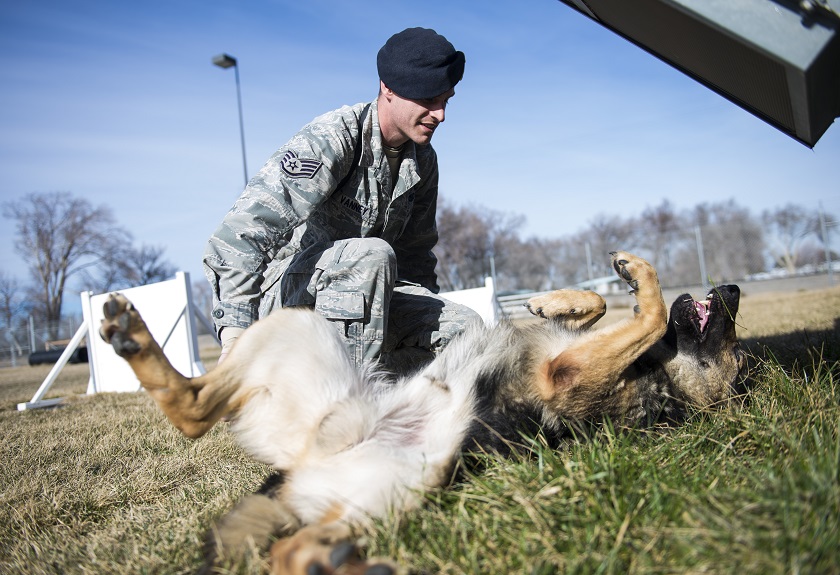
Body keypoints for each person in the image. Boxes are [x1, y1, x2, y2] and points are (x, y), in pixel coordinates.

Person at [203, 27, 480, 370]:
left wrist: (421, 320)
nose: (440, 115)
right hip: (290, 302)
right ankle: (336, 406)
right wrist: (235, 336)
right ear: (388, 88)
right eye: (428, 100)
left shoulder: (423, 161)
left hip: (365, 300)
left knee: (465, 330)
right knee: (371, 255)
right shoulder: (334, 137)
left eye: (445, 100)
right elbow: (239, 236)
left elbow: (415, 257)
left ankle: (397, 403)